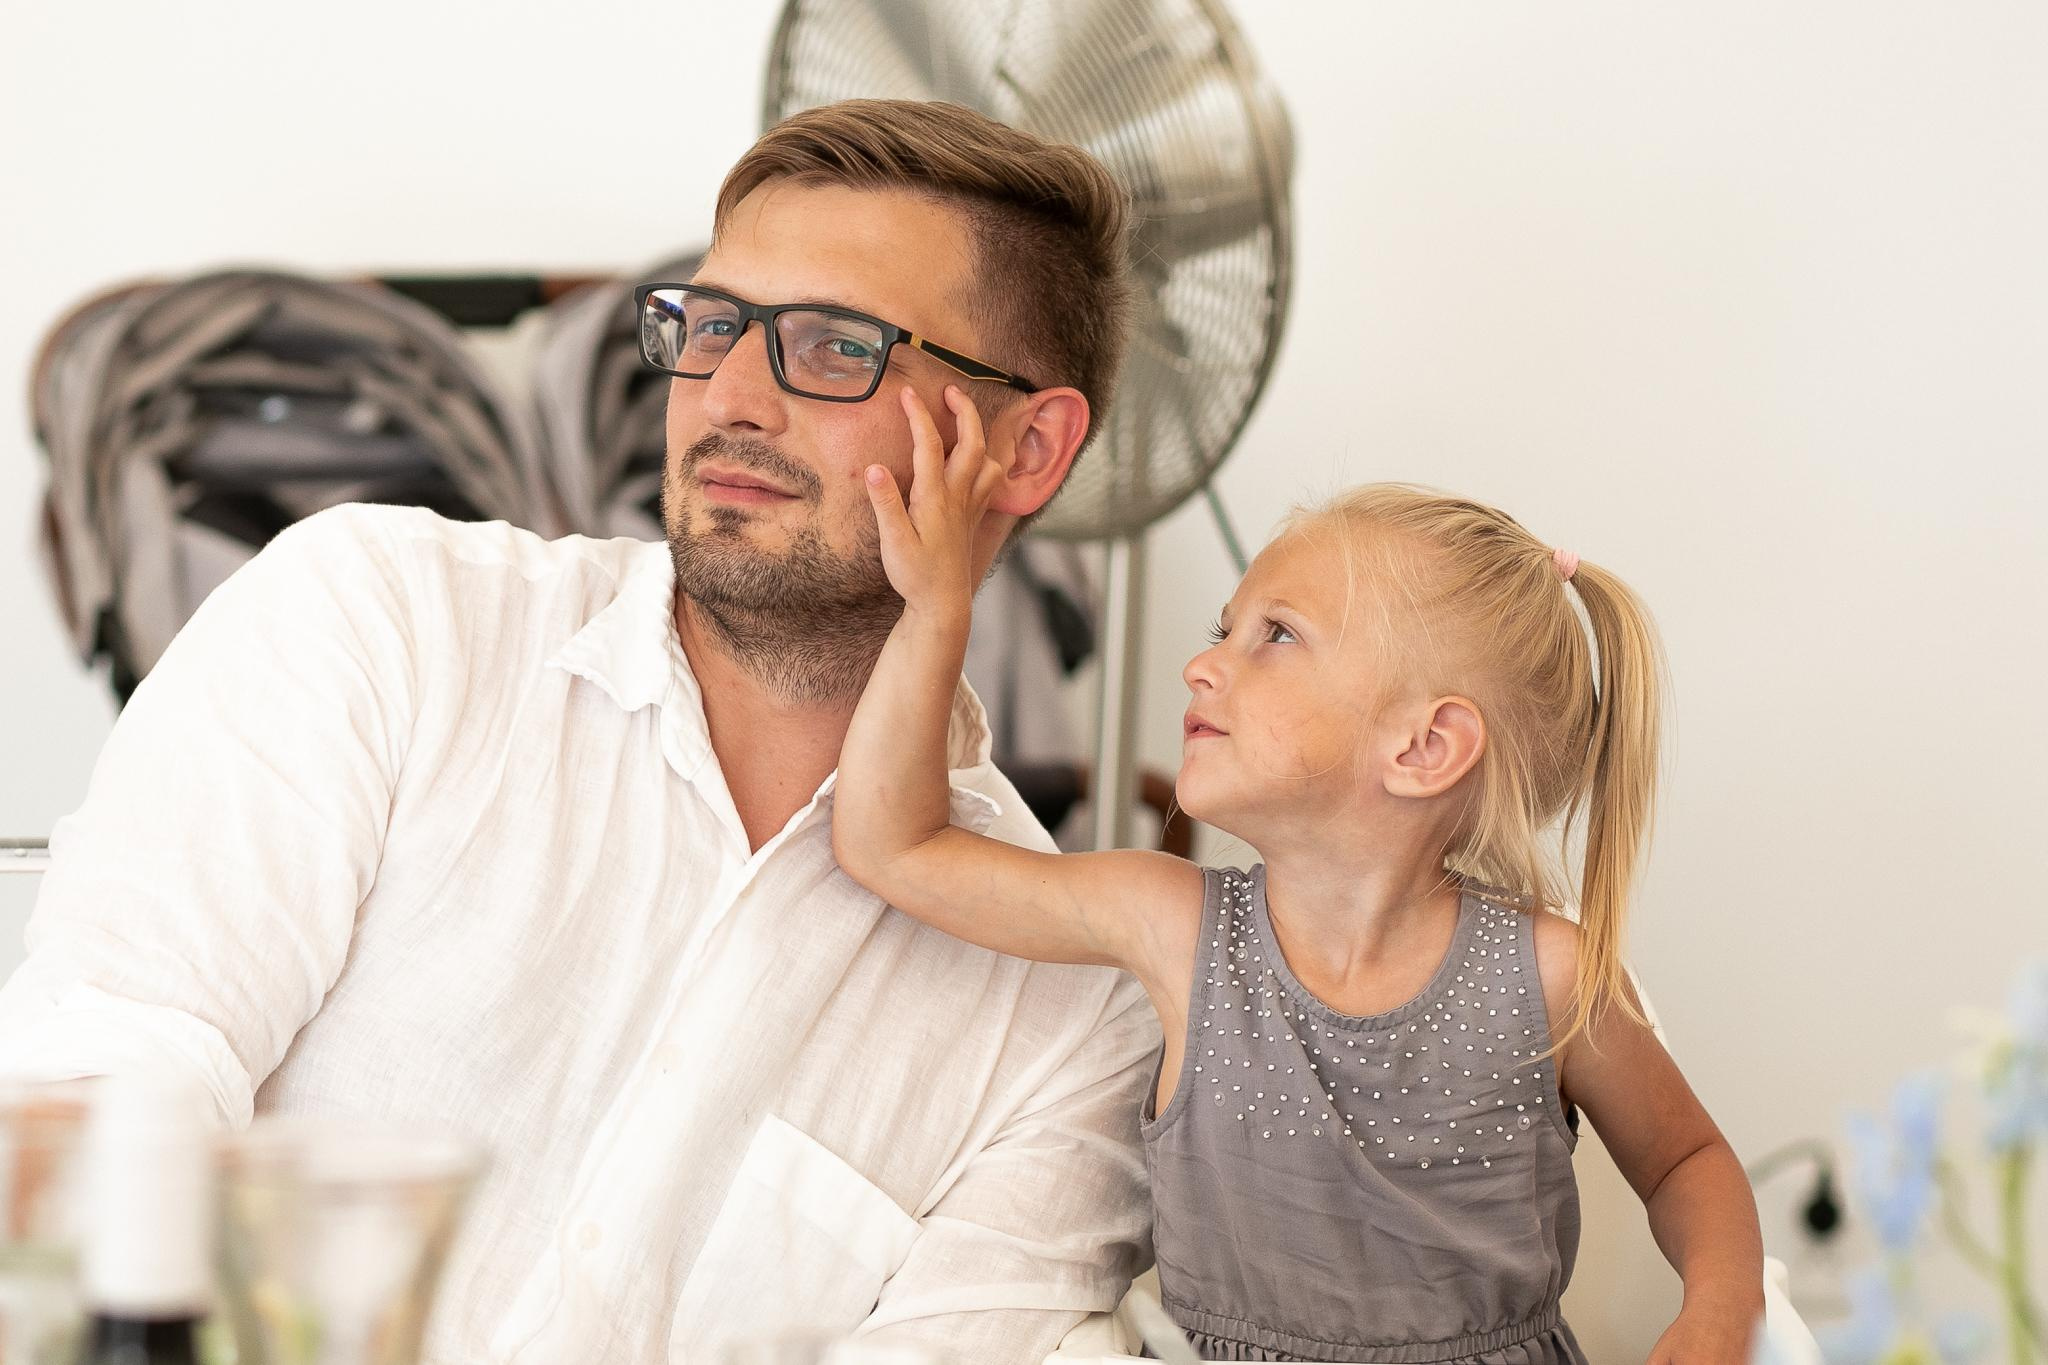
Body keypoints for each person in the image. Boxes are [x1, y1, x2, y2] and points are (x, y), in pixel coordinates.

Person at [0, 100, 1154, 1364]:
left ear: (1026, 449)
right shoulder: (382, 617)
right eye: (712, 327)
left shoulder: (1070, 1012)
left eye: (834, 347)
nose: (731, 396)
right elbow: (105, 1079)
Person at [834, 415, 1767, 1363]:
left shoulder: (1552, 975)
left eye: (1276, 634)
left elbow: (1688, 1161)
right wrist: (937, 610)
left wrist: (1719, 1309)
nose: (1205, 662)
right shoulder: (1171, 924)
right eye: (1223, 628)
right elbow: (895, 845)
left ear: (1423, 747)